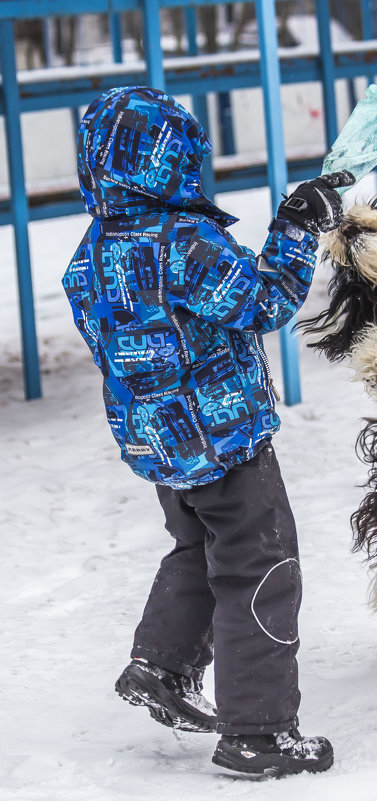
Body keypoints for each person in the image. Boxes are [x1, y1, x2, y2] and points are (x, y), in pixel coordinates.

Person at [63, 85, 354, 777]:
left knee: (198, 547)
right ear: (172, 162)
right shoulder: (183, 242)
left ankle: (161, 664)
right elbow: (262, 302)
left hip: (160, 445)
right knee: (261, 566)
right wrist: (295, 228)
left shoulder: (94, 250)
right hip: (224, 440)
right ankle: (259, 731)